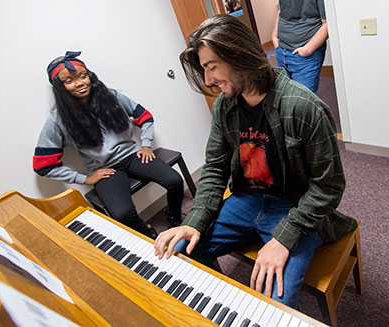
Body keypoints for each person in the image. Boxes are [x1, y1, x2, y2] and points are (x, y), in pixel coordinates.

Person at [154, 15, 357, 309]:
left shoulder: (304, 107)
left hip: (294, 205)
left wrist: (284, 237)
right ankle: (220, 310)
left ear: (240, 55)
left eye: (212, 67)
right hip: (246, 199)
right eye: (204, 69)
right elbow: (213, 169)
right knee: (182, 251)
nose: (209, 79)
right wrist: (194, 221)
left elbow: (329, 186)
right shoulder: (225, 106)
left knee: (274, 306)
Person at [33, 51, 184, 239]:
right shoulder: (57, 120)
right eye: (69, 81)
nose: (80, 83)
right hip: (105, 169)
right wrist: (84, 179)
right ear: (60, 87)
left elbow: (145, 117)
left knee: (175, 181)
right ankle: (149, 236)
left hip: (132, 155)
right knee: (122, 214)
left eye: (83, 76)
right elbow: (42, 165)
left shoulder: (112, 96)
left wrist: (145, 144)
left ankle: (174, 220)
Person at [272, 0, 328, 93]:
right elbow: (281, 10)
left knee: (303, 99)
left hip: (304, 56)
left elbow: (327, 24)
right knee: (285, 95)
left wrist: (307, 50)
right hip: (281, 50)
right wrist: (274, 35)